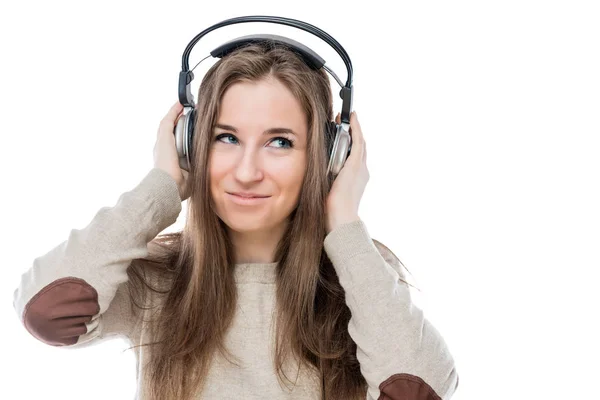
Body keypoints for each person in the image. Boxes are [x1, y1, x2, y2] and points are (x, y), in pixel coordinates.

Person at [13, 42, 459, 399]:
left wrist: (343, 222)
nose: (246, 171)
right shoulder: (159, 284)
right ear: (191, 146)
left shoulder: (359, 283)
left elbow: (419, 391)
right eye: (225, 137)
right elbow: (45, 312)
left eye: (279, 142)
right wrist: (160, 190)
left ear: (330, 157)